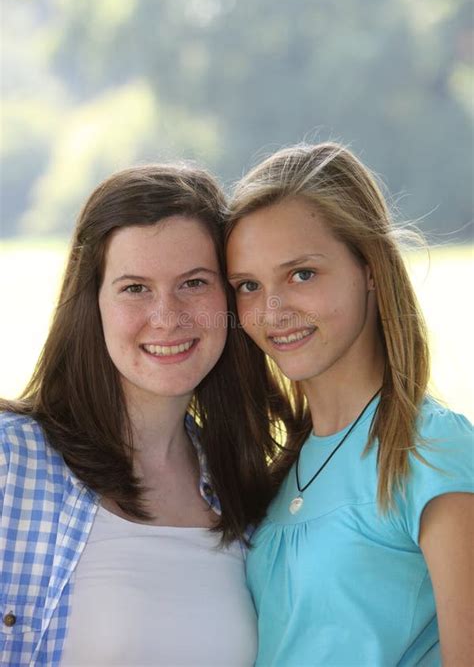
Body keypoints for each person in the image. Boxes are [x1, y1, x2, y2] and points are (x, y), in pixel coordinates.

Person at [0, 163, 280, 667]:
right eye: (135, 288)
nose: (167, 317)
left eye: (193, 283)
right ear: (92, 303)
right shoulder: (9, 462)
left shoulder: (247, 490)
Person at [225, 142, 474, 667]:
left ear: (370, 270)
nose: (272, 311)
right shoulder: (283, 465)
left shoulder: (432, 450)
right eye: (249, 285)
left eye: (302, 274)